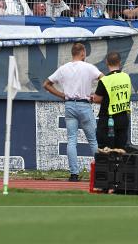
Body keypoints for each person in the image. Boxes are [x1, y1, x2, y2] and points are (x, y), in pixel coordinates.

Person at [43, 42, 103, 181]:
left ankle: (74, 174)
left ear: (72, 53)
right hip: (84, 104)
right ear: (82, 53)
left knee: (71, 141)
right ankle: (100, 172)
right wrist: (96, 95)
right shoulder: (88, 67)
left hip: (69, 105)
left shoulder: (64, 68)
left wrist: (62, 95)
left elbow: (46, 84)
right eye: (85, 53)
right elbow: (104, 79)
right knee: (93, 140)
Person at [91, 51, 132, 152]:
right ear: (120, 62)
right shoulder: (126, 77)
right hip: (123, 118)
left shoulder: (105, 80)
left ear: (106, 62)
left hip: (108, 120)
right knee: (121, 150)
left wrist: (91, 97)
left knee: (105, 150)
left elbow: (97, 99)